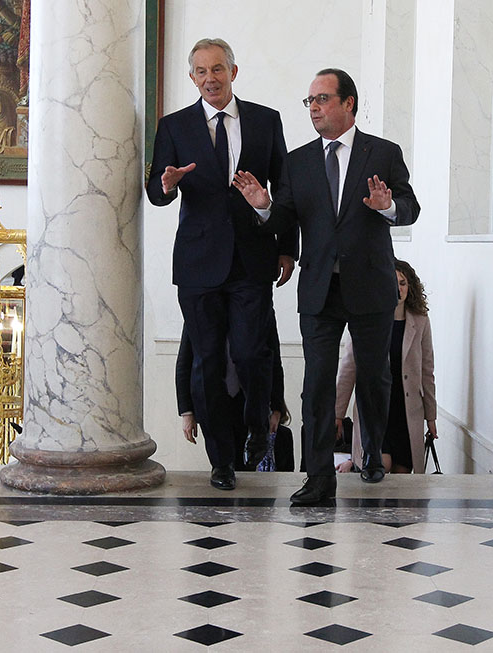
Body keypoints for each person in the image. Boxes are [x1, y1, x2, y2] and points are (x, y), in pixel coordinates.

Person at [234, 68, 420, 504]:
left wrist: (388, 204)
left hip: (371, 287)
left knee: (374, 379)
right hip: (319, 288)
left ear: (348, 103)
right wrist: (263, 207)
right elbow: (284, 219)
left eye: (322, 99)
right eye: (310, 101)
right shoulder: (297, 161)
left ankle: (372, 454)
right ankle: (318, 476)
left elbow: (411, 207)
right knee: (316, 384)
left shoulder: (383, 153)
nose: (314, 107)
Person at [147, 39, 292, 491]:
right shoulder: (174, 126)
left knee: (251, 352)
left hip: (251, 259)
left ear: (234, 71)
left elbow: (284, 189)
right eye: (200, 71)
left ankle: (255, 428)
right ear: (192, 78)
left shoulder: (266, 121)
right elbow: (155, 191)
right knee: (207, 361)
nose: (210, 77)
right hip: (197, 263)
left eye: (218, 69)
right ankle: (221, 460)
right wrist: (168, 185)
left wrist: (286, 247)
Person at [336, 259, 437, 474]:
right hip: (375, 407)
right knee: (380, 465)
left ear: (410, 288)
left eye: (402, 283)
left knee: (402, 473)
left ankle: (393, 510)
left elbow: (427, 371)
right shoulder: (365, 320)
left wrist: (431, 417)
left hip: (407, 410)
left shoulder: (420, 321)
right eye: (392, 282)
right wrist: (338, 413)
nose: (397, 288)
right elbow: (348, 368)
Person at [175, 312, 296, 476]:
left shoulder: (257, 308)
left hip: (249, 399)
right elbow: (185, 361)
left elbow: (274, 361)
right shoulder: (200, 308)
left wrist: (276, 407)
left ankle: (246, 500)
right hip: (213, 399)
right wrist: (187, 412)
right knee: (221, 461)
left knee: (247, 464)